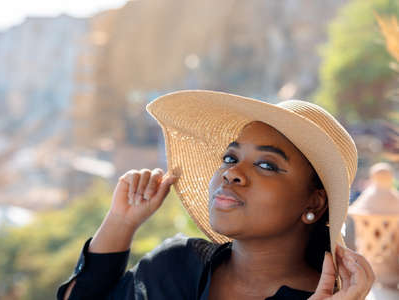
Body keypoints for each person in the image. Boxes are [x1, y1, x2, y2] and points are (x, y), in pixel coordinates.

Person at [58, 90, 375, 299]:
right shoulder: (175, 265)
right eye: (230, 158)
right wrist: (120, 222)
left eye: (267, 164)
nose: (231, 172)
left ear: (314, 203)